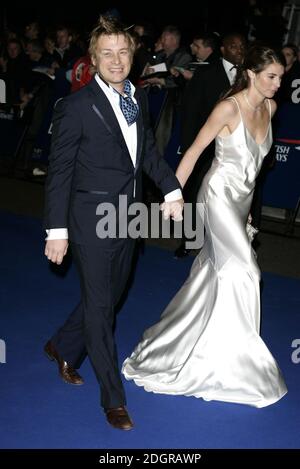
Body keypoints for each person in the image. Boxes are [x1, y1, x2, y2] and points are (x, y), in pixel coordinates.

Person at [122, 45, 288, 408]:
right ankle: (237, 362)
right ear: (251, 73)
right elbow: (195, 151)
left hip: (239, 202)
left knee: (215, 274)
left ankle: (180, 342)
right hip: (216, 198)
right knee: (245, 271)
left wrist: (246, 211)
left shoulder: (271, 108)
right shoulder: (229, 107)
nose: (278, 84)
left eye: (280, 77)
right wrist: (171, 194)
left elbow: (255, 170)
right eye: (272, 76)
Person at [43, 16, 183, 431]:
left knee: (109, 296)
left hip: (129, 218)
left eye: (123, 52)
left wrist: (172, 190)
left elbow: (147, 157)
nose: (117, 60)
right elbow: (60, 173)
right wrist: (57, 230)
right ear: (93, 58)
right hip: (89, 220)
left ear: (133, 56)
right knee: (103, 309)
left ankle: (61, 345)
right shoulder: (74, 107)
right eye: (108, 53)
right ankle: (113, 398)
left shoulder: (135, 99)